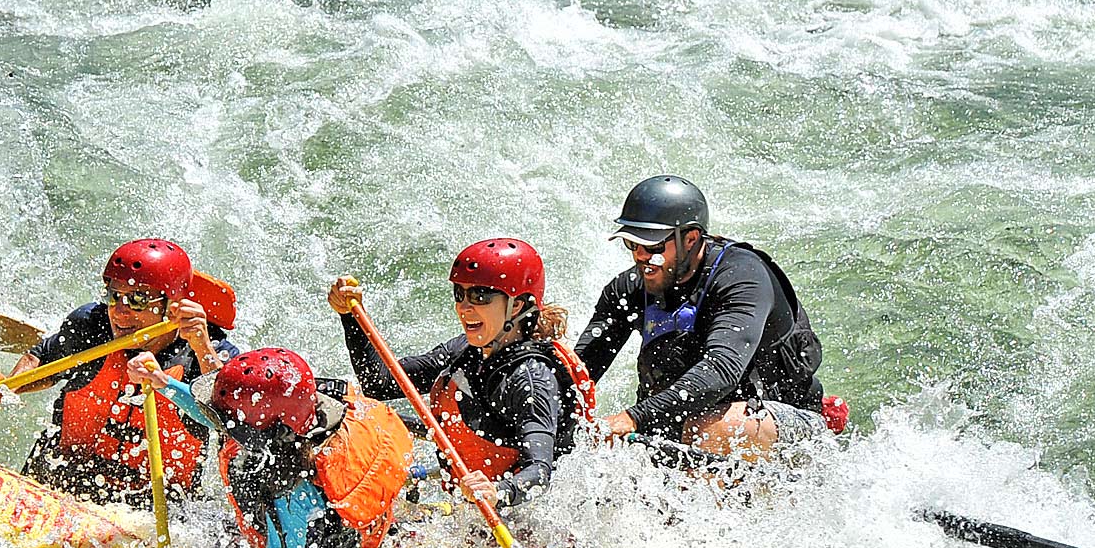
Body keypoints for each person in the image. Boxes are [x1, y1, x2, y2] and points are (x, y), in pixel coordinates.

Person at [126, 347, 413, 548]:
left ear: (259, 439)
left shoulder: (289, 496)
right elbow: (219, 418)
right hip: (338, 528)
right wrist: (162, 382)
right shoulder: (298, 414)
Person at [575, 174, 839, 456]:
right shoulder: (628, 289)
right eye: (632, 244)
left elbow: (722, 368)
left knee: (708, 430)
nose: (640, 256)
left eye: (653, 247)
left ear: (690, 238)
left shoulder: (742, 278)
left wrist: (633, 418)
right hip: (685, 423)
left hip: (783, 425)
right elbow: (577, 375)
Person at [327, 239, 595, 510]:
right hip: (469, 505)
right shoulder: (466, 350)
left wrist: (498, 492)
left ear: (516, 306)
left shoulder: (531, 381)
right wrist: (350, 317)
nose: (463, 308)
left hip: (527, 515)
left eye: (480, 296)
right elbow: (379, 383)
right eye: (460, 294)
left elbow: (539, 472)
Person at [0, 239, 237, 507]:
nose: (119, 312)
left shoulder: (206, 350)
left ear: (173, 306)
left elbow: (231, 422)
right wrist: (6, 384)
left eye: (138, 299)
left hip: (151, 508)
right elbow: (40, 359)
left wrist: (202, 350)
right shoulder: (91, 325)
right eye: (113, 295)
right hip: (61, 479)